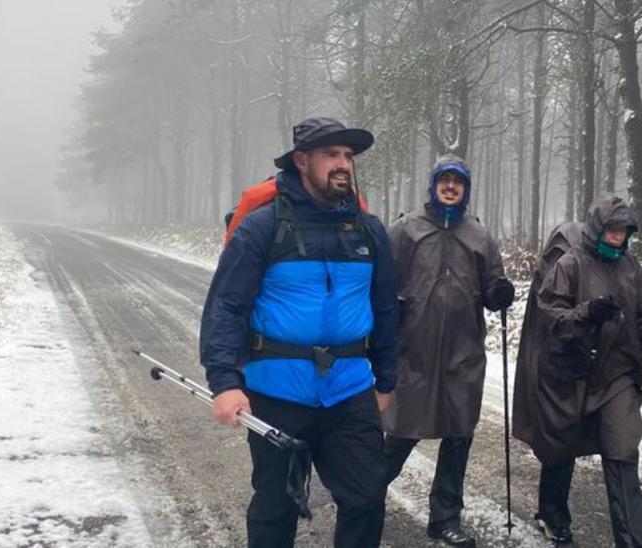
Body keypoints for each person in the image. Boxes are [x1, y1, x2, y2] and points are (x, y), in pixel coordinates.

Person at [199, 117, 401, 548]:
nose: (343, 164)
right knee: (277, 508)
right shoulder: (263, 227)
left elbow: (385, 309)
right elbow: (226, 307)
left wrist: (386, 379)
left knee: (366, 498)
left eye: (348, 156)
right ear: (301, 160)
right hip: (277, 393)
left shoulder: (370, 231)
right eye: (332, 154)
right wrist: (225, 383)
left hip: (349, 391)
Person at [513, 195, 642, 547]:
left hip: (617, 374)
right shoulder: (570, 265)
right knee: (562, 448)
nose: (618, 237)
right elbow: (551, 319)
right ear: (598, 228)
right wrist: (587, 314)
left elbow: (640, 324)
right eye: (612, 230)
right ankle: (553, 514)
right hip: (570, 373)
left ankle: (634, 541)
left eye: (624, 231)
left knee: (622, 450)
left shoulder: (632, 270)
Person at [381, 153, 514, 547]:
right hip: (413, 353)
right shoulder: (406, 230)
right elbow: (382, 282)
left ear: (466, 189)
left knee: (458, 437)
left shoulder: (480, 236)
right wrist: (394, 306)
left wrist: (499, 292)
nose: (451, 187)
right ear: (434, 185)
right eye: (445, 180)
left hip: (462, 355)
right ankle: (363, 502)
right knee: (400, 434)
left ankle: (444, 518)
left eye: (458, 181)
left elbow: (492, 286)